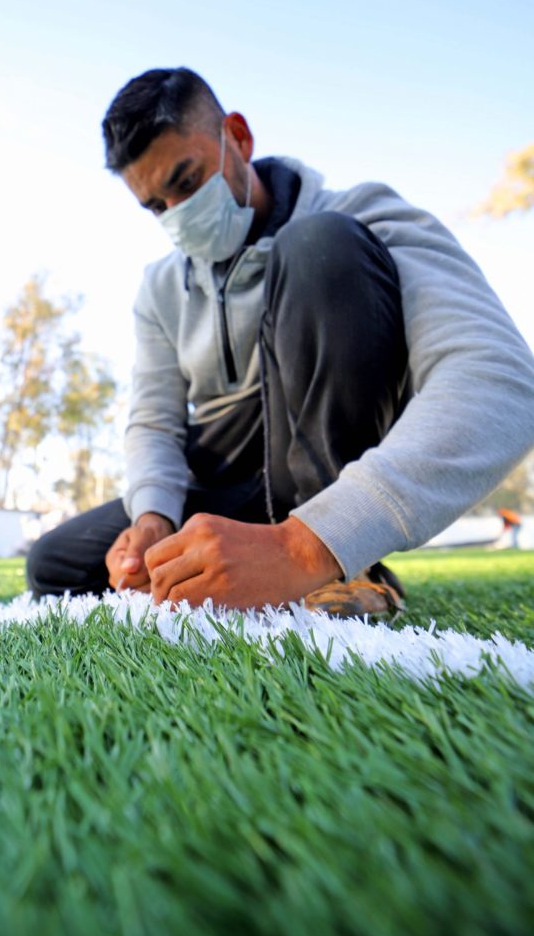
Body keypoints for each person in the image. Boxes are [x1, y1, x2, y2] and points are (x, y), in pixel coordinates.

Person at [27, 67, 534, 615]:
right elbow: (153, 418)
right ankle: (238, 551)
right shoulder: (159, 287)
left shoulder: (362, 216)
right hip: (225, 475)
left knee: (320, 246)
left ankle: (344, 565)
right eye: (155, 206)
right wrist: (154, 518)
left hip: (322, 470)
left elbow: (497, 378)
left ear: (238, 139)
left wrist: (303, 545)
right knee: (55, 566)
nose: (177, 216)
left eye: (187, 181)